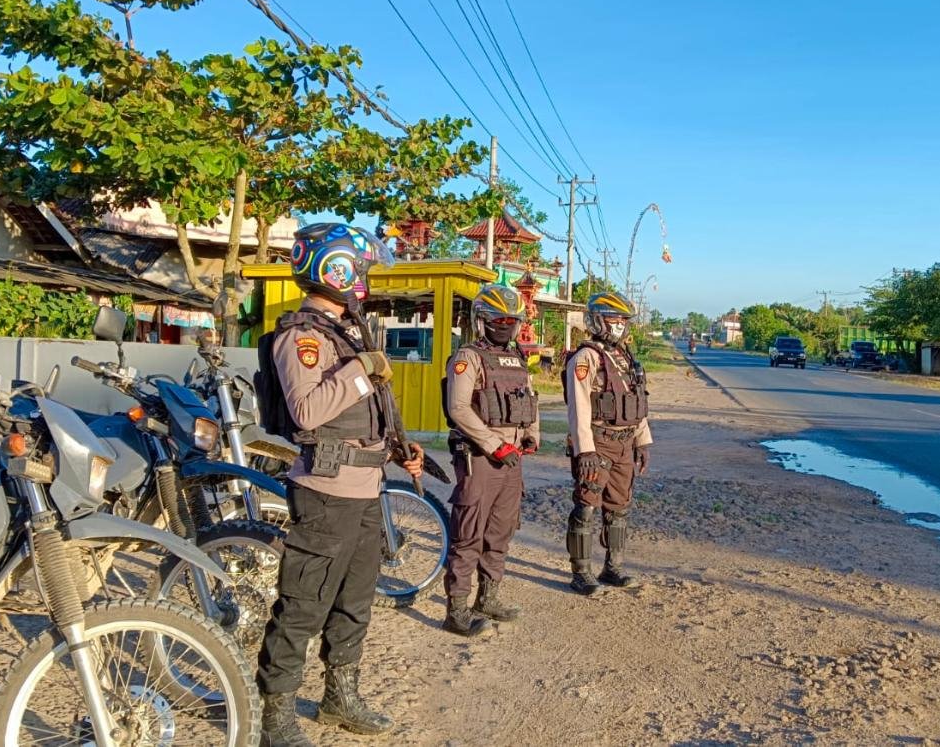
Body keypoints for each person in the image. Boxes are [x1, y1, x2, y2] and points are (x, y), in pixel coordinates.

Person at [257, 222, 425, 747]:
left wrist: (399, 446)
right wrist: (360, 369)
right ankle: (276, 716)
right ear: (336, 269)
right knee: (303, 603)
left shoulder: (348, 331)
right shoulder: (300, 336)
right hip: (325, 490)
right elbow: (308, 411)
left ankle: (339, 695)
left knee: (355, 598)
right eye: (364, 267)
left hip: (365, 485)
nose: (368, 278)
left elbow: (368, 410)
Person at [441, 285, 540, 636]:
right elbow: (459, 408)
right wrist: (492, 443)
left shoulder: (518, 359)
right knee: (468, 533)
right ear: (481, 321)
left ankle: (488, 597)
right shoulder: (467, 358)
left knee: (500, 531)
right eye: (498, 319)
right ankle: (456, 609)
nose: (505, 325)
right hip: (480, 458)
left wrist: (532, 432)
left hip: (512, 459)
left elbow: (530, 399)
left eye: (511, 320)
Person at [563, 292, 652, 595]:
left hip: (624, 443)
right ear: (597, 320)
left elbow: (635, 403)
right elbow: (578, 406)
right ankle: (581, 572)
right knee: (586, 506)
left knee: (619, 507)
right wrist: (584, 449)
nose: (619, 326)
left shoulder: (625, 357)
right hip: (597, 444)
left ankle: (612, 568)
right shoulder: (586, 357)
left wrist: (642, 441)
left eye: (623, 320)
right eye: (614, 319)